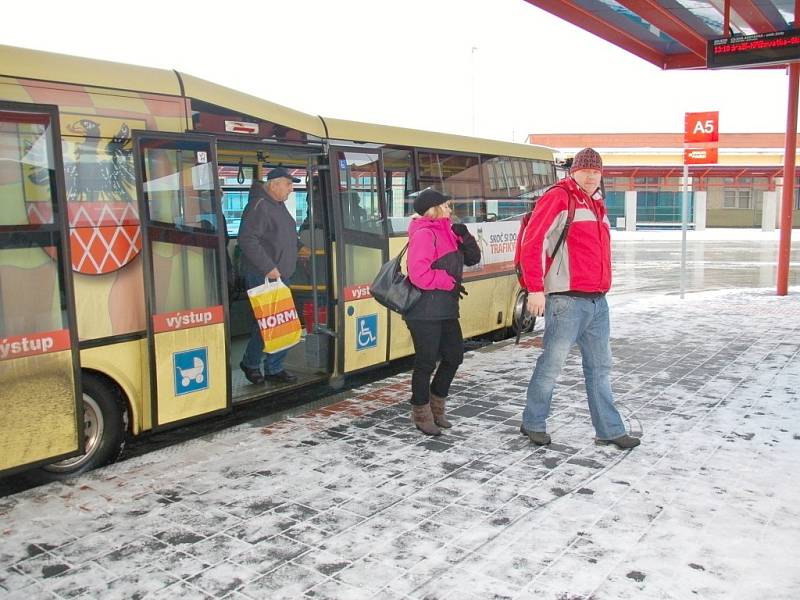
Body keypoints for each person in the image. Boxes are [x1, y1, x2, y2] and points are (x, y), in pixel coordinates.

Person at [518, 148, 640, 450]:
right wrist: (535, 288)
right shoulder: (559, 197)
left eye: (596, 171)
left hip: (598, 302)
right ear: (573, 171)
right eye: (584, 170)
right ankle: (533, 422)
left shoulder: (597, 203)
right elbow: (533, 242)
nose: (590, 175)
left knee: (601, 368)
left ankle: (609, 430)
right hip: (567, 301)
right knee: (552, 365)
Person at [405, 188, 480, 435]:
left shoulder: (449, 231)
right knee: (425, 362)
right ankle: (421, 411)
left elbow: (472, 258)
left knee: (454, 356)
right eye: (447, 206)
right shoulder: (425, 234)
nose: (450, 210)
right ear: (434, 209)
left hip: (446, 307)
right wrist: (448, 281)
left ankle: (437, 406)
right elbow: (418, 274)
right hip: (424, 310)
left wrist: (465, 236)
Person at [238, 167, 301, 385]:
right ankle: (251, 363)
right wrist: (269, 267)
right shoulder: (259, 206)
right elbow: (247, 240)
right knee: (267, 323)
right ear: (274, 184)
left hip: (281, 275)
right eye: (288, 185)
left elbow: (283, 233)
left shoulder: (278, 205)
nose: (291, 190)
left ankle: (274, 367)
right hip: (263, 275)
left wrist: (299, 247)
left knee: (281, 323)